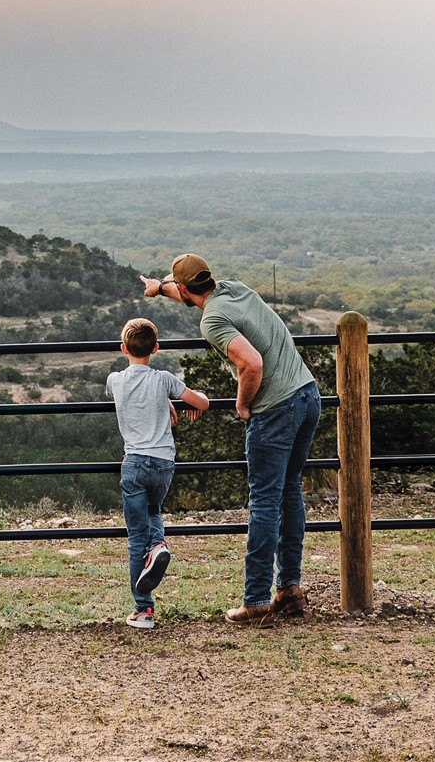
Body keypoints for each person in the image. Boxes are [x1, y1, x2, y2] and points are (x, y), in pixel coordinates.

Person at [140, 254, 321, 622]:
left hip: (274, 408)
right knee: (290, 491)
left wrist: (242, 404)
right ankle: (290, 589)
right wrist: (159, 289)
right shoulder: (233, 288)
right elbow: (187, 291)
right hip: (307, 394)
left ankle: (255, 600)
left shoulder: (213, 320)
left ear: (188, 289)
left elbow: (251, 364)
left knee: (265, 500)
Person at [106, 315, 209, 629]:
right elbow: (201, 403)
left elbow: (127, 396)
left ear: (124, 347)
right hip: (164, 463)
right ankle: (159, 546)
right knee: (154, 510)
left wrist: (159, 400)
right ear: (157, 348)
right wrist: (166, 397)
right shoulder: (164, 379)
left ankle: (144, 610)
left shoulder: (115, 379)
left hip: (134, 463)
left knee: (136, 537)